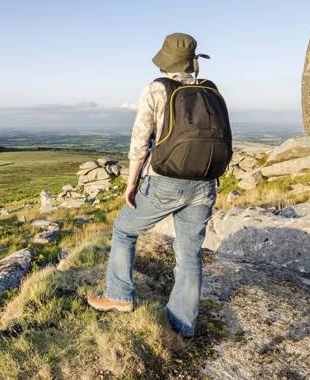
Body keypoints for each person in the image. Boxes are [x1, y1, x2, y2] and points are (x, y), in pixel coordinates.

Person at [86, 32, 228, 338]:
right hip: (205, 183)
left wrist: (131, 183)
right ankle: (183, 324)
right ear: (191, 61)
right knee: (189, 252)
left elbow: (140, 143)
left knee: (124, 230)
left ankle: (119, 295)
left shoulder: (156, 89)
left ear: (165, 60)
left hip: (166, 181)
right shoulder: (210, 90)